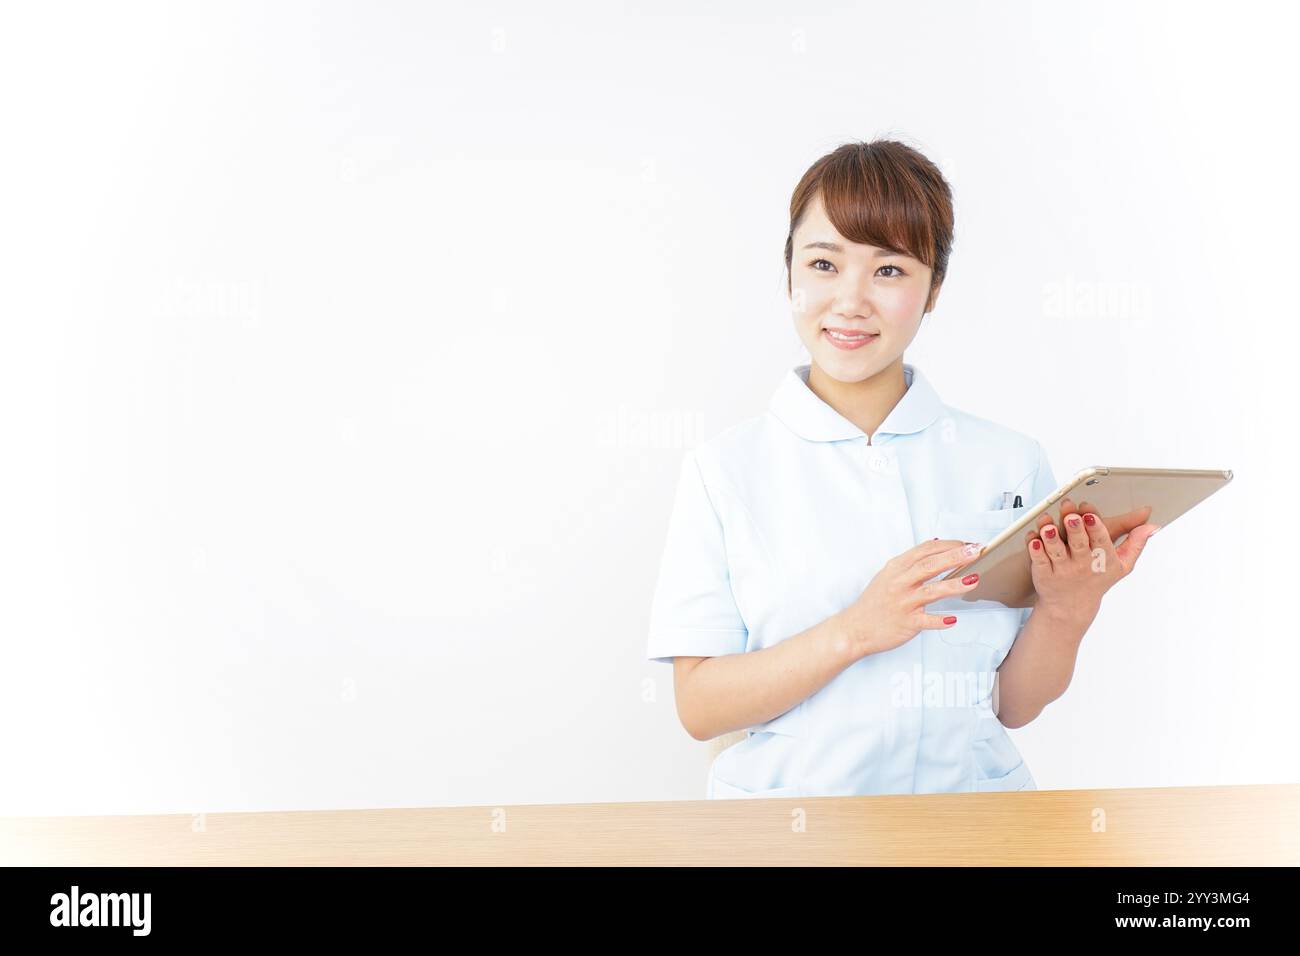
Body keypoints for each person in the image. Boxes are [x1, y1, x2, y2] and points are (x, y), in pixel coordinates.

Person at [644, 139, 1159, 798]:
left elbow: (1011, 706)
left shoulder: (1009, 460)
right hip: (793, 834)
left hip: (974, 822)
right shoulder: (725, 470)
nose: (851, 301)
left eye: (889, 271)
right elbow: (700, 707)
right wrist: (854, 630)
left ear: (934, 289)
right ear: (790, 273)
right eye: (825, 263)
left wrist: (1067, 611)